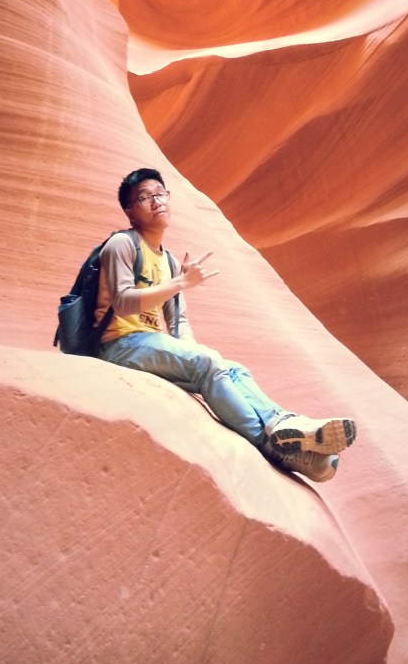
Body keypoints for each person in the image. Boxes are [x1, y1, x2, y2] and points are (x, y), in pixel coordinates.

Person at [96, 167, 357, 482]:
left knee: (232, 369)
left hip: (146, 347)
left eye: (160, 194)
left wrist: (195, 356)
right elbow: (123, 302)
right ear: (129, 212)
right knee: (206, 363)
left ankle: (281, 423)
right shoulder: (121, 245)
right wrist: (180, 285)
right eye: (144, 197)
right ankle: (273, 446)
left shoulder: (168, 261)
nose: (156, 201)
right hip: (119, 346)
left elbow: (178, 322)